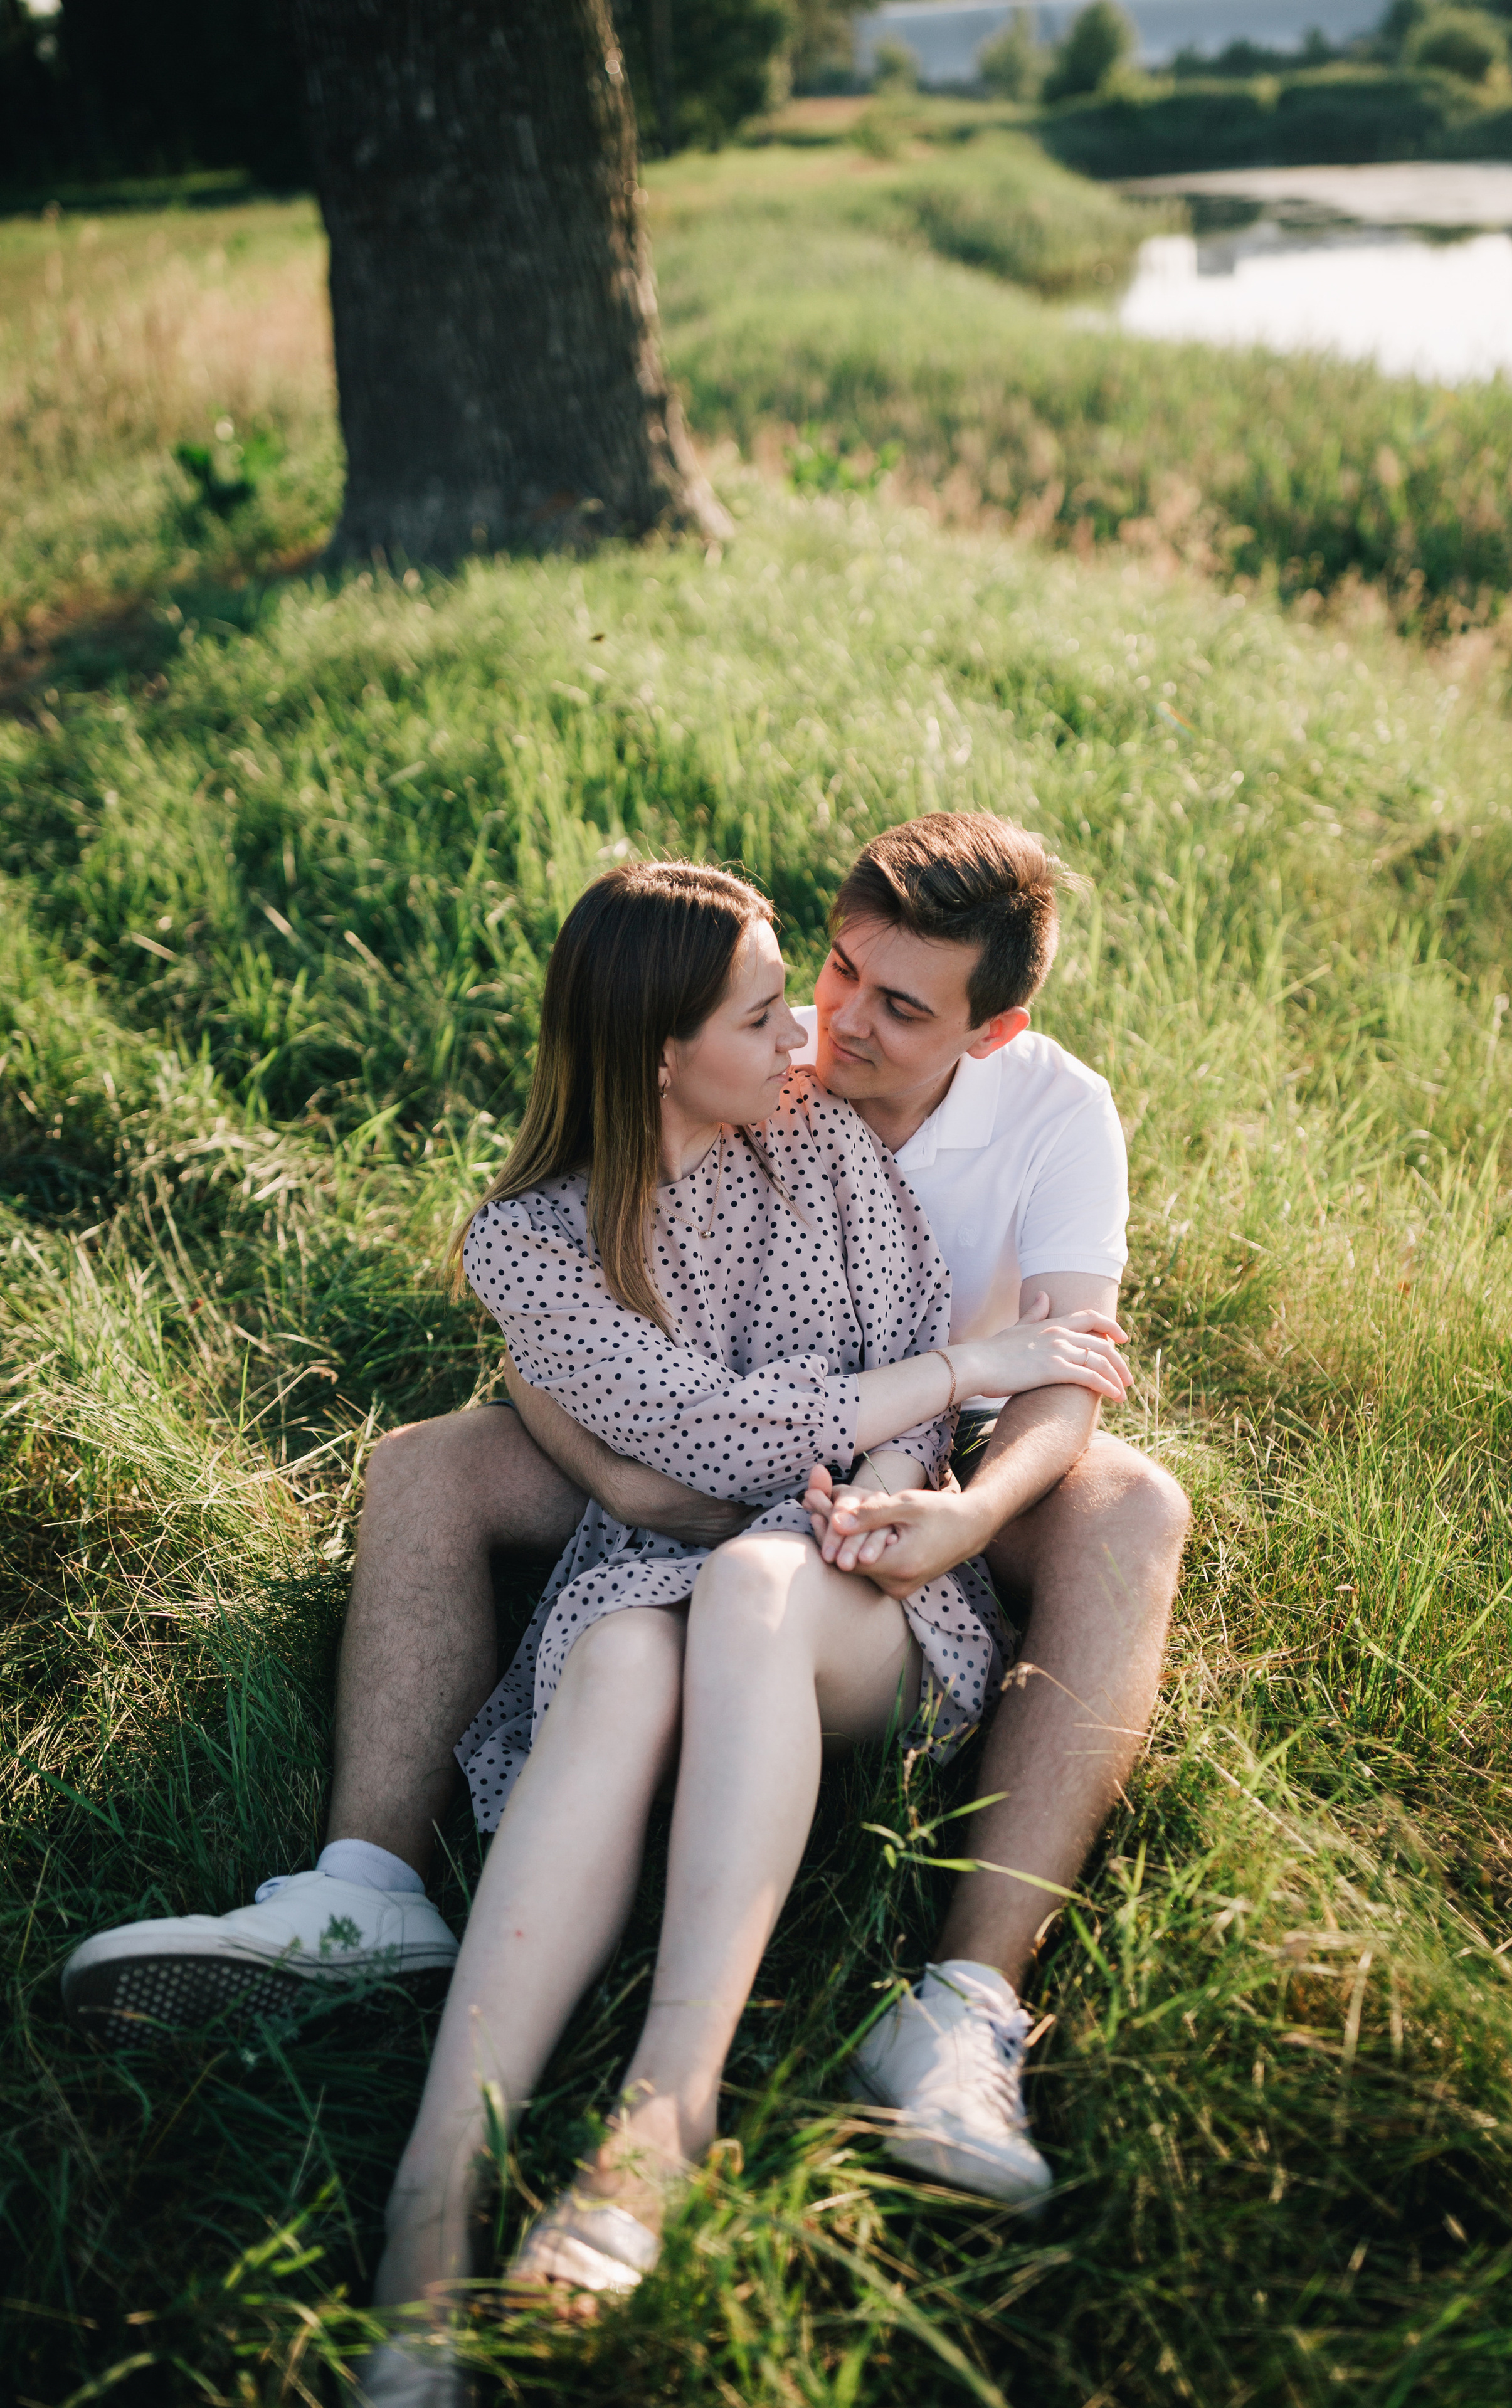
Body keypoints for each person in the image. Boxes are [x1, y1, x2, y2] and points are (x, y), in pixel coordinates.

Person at [63, 813, 1190, 2209]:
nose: (835, 1026)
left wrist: (959, 1505)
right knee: (422, 1464)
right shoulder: (752, 1079)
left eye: (897, 1008)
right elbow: (582, 1309)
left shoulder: (1045, 1113)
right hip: (699, 1416)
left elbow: (1068, 1372)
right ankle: (367, 1885)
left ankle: (962, 1999)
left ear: (991, 1030)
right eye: (831, 974)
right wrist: (612, 1475)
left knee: (1130, 1499)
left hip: (923, 1458)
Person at [339, 860, 1126, 2401]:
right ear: (654, 1053)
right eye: (772, 1010)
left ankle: (664, 2114)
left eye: (816, 1002)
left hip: (853, 1601)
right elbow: (690, 1432)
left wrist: (897, 1487)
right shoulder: (528, 1246)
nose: (809, 1040)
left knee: (758, 1582)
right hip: (648, 1571)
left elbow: (898, 1372)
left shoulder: (827, 1148)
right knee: (632, 1647)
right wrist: (956, 1368)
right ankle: (427, 2218)